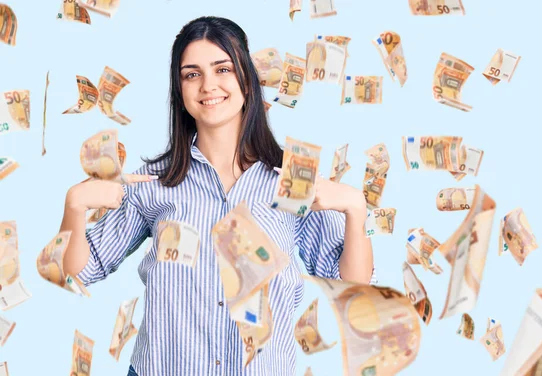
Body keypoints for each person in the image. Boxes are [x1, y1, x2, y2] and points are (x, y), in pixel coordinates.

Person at [60, 16, 376, 376]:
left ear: (246, 79)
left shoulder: (293, 183)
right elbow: (78, 271)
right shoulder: (154, 184)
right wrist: (74, 205)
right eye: (192, 74)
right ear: (180, 91)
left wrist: (355, 208)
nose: (208, 85)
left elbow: (352, 285)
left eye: (222, 69)